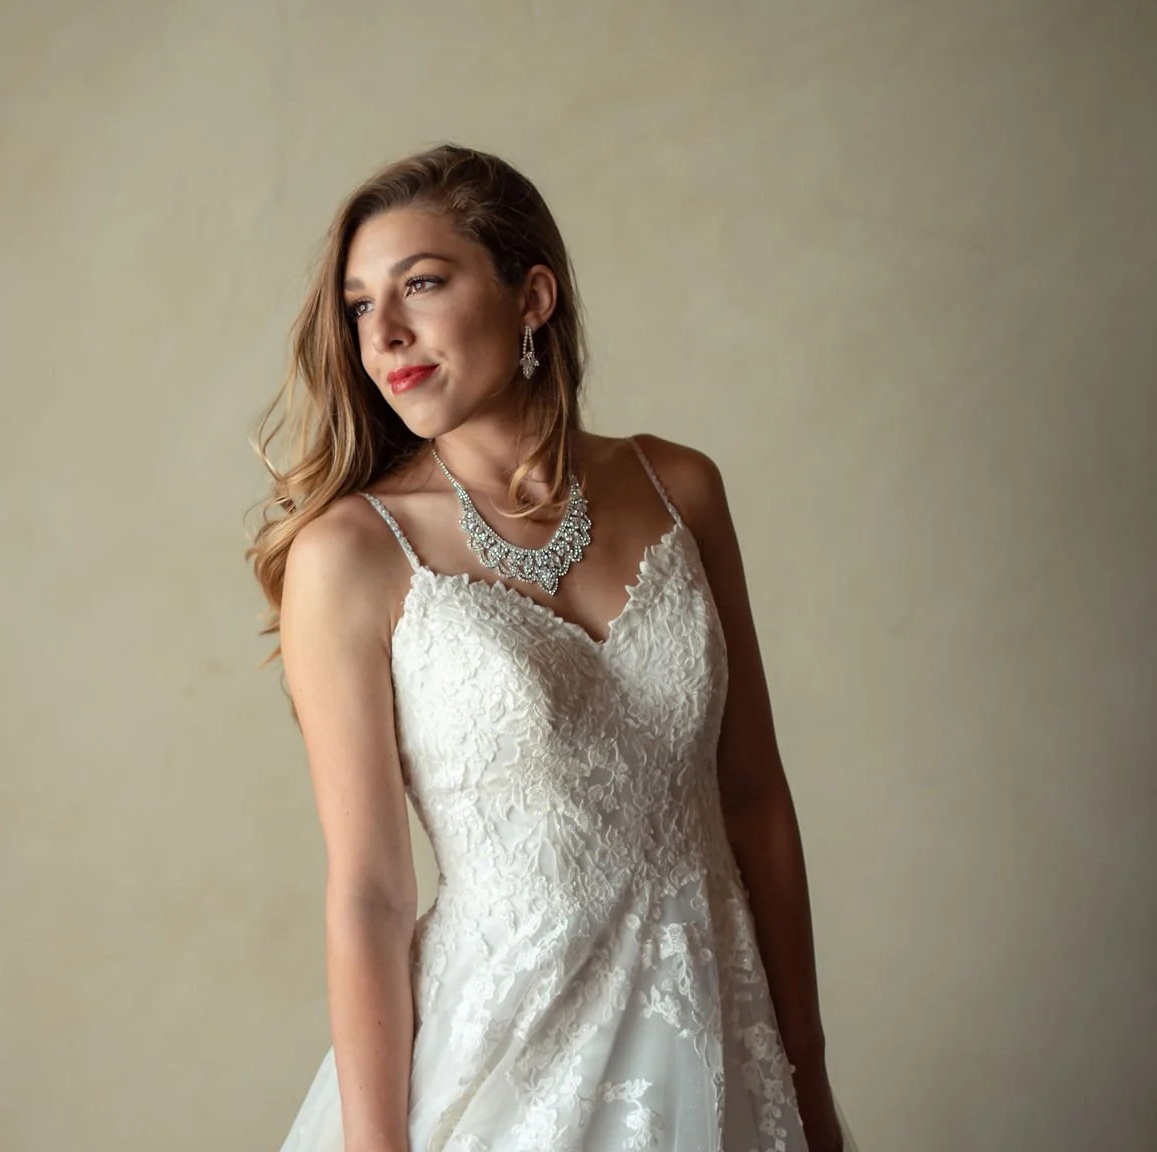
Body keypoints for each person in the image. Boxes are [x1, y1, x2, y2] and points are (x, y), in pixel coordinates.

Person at [247, 144, 855, 1151]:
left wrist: (806, 1073)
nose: (382, 333)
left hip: (719, 1050)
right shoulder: (351, 553)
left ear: (531, 297)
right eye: (358, 306)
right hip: (506, 1072)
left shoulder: (679, 489)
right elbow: (371, 895)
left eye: (421, 284)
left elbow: (754, 801)